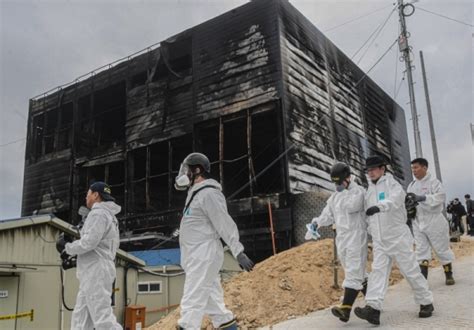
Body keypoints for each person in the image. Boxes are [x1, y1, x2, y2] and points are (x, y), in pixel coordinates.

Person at [174, 152, 254, 330]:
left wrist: (237, 251)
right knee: (213, 302)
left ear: (197, 170)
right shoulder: (196, 194)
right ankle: (228, 326)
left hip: (204, 254)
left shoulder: (209, 193)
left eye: (186, 170)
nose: (183, 174)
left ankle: (186, 327)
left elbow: (224, 223)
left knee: (191, 298)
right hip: (195, 255)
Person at [354, 155, 433, 325]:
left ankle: (426, 302)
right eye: (368, 170)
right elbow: (369, 217)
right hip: (380, 241)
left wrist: (379, 207)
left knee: (410, 271)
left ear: (383, 169)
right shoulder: (369, 191)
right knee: (377, 273)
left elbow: (395, 201)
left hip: (398, 238)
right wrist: (371, 231)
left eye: (374, 169)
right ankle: (373, 309)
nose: (370, 172)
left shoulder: (392, 184)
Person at [57, 182, 122, 330]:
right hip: (95, 270)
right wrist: (76, 259)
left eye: (88, 193)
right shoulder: (110, 216)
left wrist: (67, 248)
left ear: (96, 195)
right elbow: (101, 246)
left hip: (96, 272)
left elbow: (89, 242)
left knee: (102, 319)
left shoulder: (98, 213)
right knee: (80, 319)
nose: (86, 197)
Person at [310, 162, 368, 323]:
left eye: (339, 182)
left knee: (354, 272)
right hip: (342, 238)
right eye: (334, 182)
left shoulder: (359, 192)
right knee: (356, 272)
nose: (337, 185)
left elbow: (353, 207)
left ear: (348, 178)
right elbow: (327, 214)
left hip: (356, 236)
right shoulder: (335, 196)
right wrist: (317, 223)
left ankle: (345, 309)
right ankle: (373, 303)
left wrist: (344, 194)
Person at [407, 158, 455, 285]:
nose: (414, 171)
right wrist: (409, 211)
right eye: (412, 168)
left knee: (441, 248)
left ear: (424, 167)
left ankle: (448, 274)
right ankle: (423, 282)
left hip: (434, 220)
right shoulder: (411, 185)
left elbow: (441, 197)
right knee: (421, 251)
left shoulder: (434, 183)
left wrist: (423, 198)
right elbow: (408, 202)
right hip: (418, 222)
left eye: (416, 167)